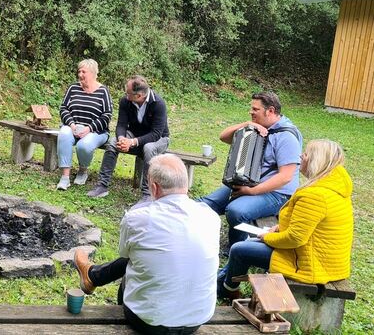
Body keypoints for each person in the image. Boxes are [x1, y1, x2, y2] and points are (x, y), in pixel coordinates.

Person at [74, 154, 220, 334]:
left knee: (135, 261)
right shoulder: (210, 216)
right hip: (196, 320)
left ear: (154, 187)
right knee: (154, 255)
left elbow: (125, 254)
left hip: (148, 321)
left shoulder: (138, 217)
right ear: (186, 183)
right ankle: (92, 276)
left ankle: (93, 276)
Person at [217, 139, 353, 300]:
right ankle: (225, 284)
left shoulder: (314, 196)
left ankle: (227, 290)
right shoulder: (332, 189)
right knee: (248, 245)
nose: (301, 156)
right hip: (322, 259)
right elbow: (304, 226)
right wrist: (277, 229)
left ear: (316, 161)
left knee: (239, 250)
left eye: (306, 153)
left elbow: (295, 238)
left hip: (309, 264)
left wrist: (268, 237)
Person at [200, 91, 302, 247]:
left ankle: (240, 248)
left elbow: (285, 177)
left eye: (255, 109)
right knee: (204, 205)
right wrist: (246, 125)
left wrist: (251, 192)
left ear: (271, 111)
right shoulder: (256, 128)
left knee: (236, 211)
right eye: (251, 108)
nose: (251, 112)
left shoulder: (287, 136)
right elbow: (224, 137)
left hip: (277, 194)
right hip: (249, 183)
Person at [87, 75, 169, 204]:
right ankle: (102, 186)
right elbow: (121, 125)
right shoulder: (125, 101)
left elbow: (156, 134)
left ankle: (147, 194)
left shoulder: (158, 104)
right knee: (113, 142)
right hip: (134, 135)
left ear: (139, 95)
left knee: (148, 148)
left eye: (128, 93)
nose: (126, 95)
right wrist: (122, 139)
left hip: (159, 139)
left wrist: (132, 142)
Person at [56, 59, 113, 190]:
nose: (80, 74)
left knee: (84, 145)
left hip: (96, 131)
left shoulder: (103, 91)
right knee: (64, 134)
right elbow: (63, 108)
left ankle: (83, 170)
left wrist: (89, 128)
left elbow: (107, 115)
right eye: (79, 71)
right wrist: (71, 125)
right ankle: (65, 177)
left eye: (83, 72)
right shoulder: (73, 88)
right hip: (73, 127)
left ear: (92, 73)